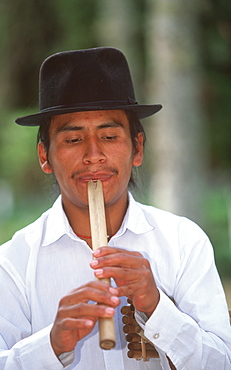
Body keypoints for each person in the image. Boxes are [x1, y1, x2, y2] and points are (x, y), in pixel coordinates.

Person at [0, 47, 230, 370]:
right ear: (44, 156)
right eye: (72, 140)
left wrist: (157, 307)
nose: (94, 155)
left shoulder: (183, 244)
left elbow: (222, 363)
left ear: (137, 148)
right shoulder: (12, 265)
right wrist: (51, 345)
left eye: (109, 136)